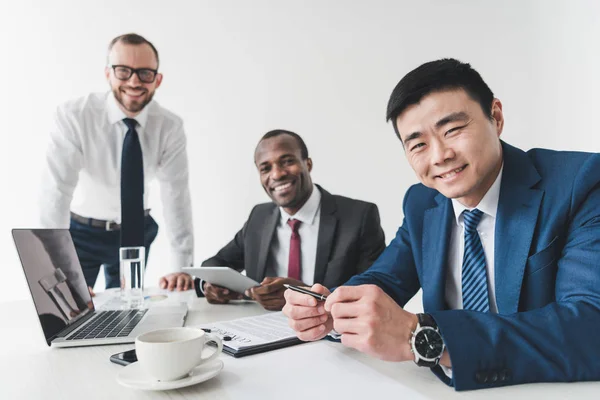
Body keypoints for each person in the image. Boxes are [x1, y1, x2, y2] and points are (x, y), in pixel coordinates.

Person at [283, 58, 600, 390]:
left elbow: (590, 326)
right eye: (418, 144)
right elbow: (383, 279)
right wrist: (331, 307)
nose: (439, 156)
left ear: (497, 116)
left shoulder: (579, 183)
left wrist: (422, 336)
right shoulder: (423, 203)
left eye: (453, 130)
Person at [163, 130, 385, 310]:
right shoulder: (259, 217)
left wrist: (307, 295)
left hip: (331, 338)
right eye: (265, 168)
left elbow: (374, 292)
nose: (277, 174)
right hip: (261, 332)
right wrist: (210, 286)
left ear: (307, 164)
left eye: (287, 161)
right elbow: (216, 264)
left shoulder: (359, 217)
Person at [40, 33, 194, 291]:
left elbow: (176, 196)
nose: (134, 81)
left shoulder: (169, 127)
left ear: (158, 79)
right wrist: (54, 268)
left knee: (127, 313)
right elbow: (56, 191)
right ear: (108, 74)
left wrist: (182, 266)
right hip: (81, 231)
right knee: (70, 311)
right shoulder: (74, 116)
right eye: (123, 71)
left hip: (136, 230)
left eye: (144, 73)